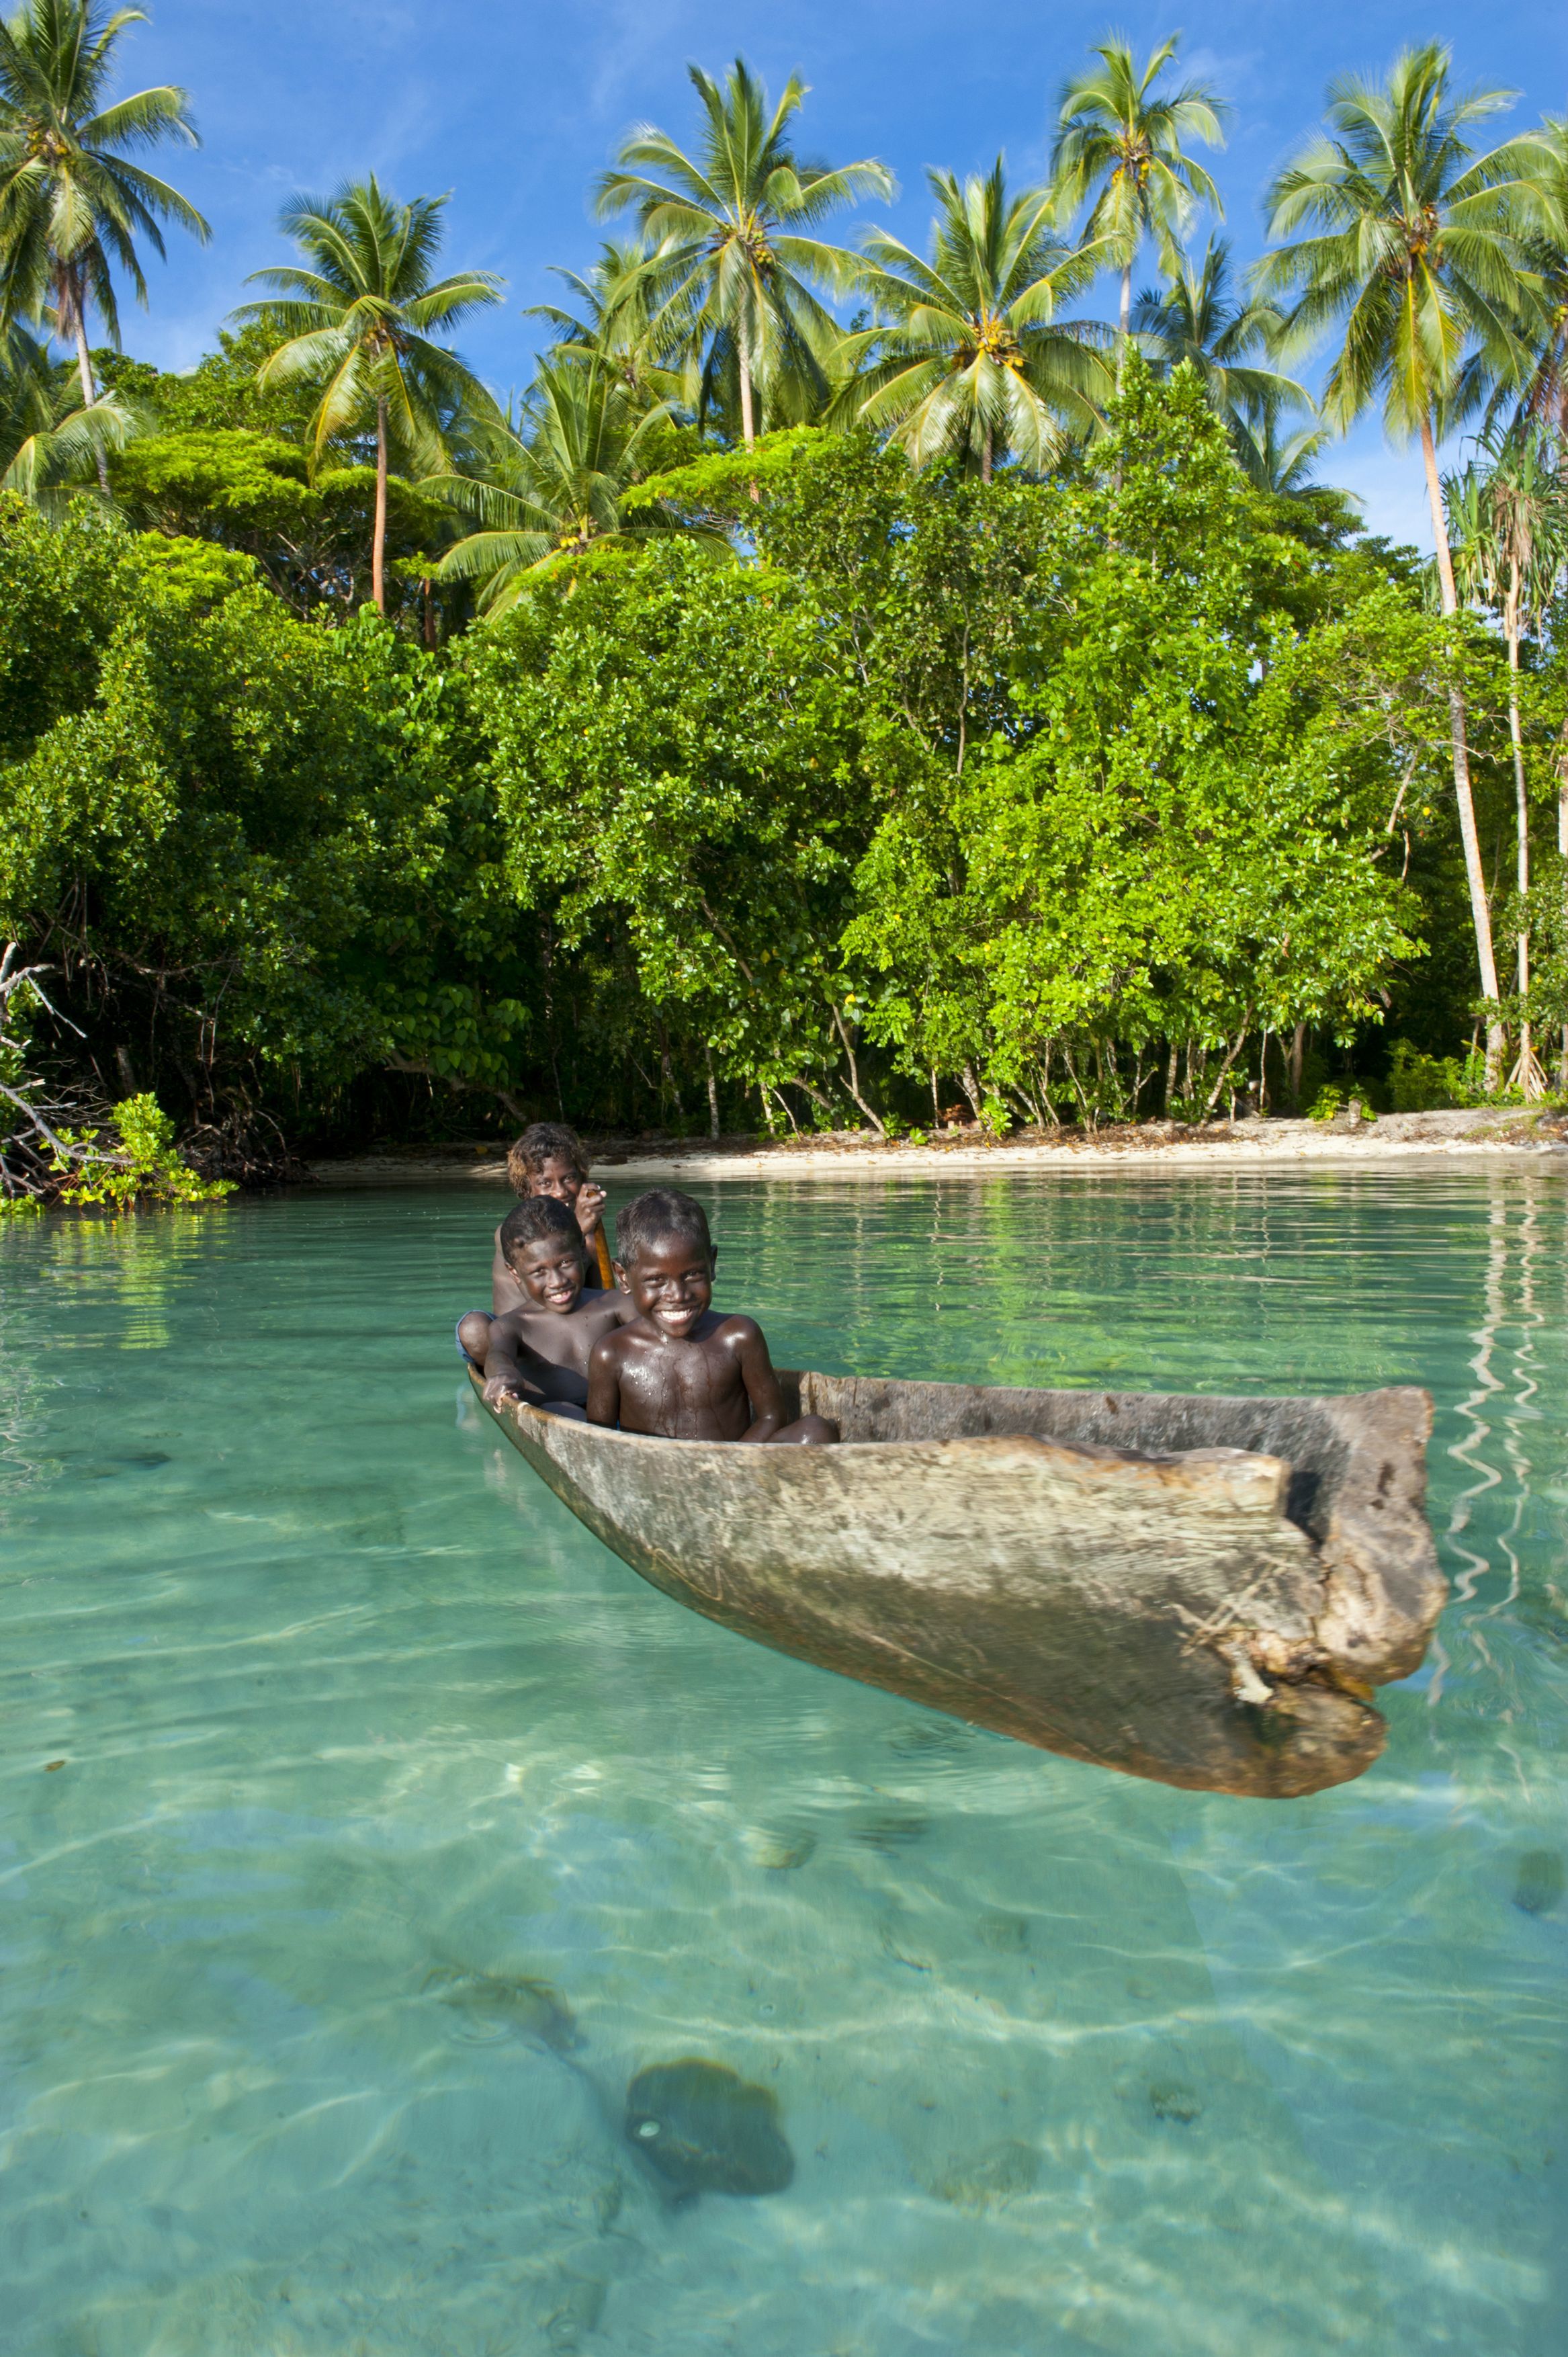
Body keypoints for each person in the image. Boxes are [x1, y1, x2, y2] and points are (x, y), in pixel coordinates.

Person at [586, 1189, 837, 1445]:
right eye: (656, 1280)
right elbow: (597, 1440)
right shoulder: (611, 1353)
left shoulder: (738, 1336)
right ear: (623, 1277)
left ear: (712, 1264)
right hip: (650, 1467)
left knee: (816, 1431)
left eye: (692, 1274)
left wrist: (726, 1462)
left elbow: (772, 1417)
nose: (678, 1295)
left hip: (736, 1463)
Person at [464, 1197, 634, 1416]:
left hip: (617, 1413)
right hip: (560, 1415)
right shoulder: (512, 1326)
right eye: (539, 1271)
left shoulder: (616, 1304)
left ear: (582, 1252)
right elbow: (499, 1356)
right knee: (559, 1410)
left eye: (565, 1263)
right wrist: (503, 1374)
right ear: (515, 1273)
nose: (557, 1281)